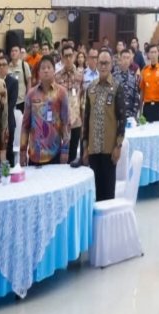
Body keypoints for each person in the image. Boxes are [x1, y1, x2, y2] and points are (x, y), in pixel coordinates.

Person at [81, 50, 125, 201]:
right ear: (97, 64)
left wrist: (118, 146)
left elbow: (122, 119)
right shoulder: (91, 88)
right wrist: (85, 147)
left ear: (111, 65)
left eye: (106, 63)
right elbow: (86, 118)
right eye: (101, 63)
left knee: (107, 194)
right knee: (95, 192)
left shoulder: (117, 87)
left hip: (109, 149)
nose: (104, 66)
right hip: (93, 148)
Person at [20, 58, 71, 167]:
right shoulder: (31, 94)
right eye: (43, 68)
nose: (46, 70)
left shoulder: (61, 93)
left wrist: (65, 150)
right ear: (38, 72)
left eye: (49, 67)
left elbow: (66, 123)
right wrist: (22, 151)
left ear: (54, 70)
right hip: (35, 154)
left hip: (54, 153)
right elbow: (25, 125)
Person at [53, 52, 84, 163]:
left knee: (73, 153)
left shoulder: (80, 76)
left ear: (74, 57)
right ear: (62, 57)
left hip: (76, 120)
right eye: (65, 56)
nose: (68, 58)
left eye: (70, 55)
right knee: (60, 154)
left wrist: (83, 120)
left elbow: (82, 99)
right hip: (61, 122)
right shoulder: (56, 77)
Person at [0, 54, 20, 166]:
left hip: (8, 122)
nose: (1, 67)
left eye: (4, 65)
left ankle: (9, 172)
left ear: (8, 66)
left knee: (8, 151)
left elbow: (11, 103)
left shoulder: (13, 82)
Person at [138, 46, 159, 123]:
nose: (153, 54)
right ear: (148, 55)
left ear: (158, 54)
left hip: (158, 106)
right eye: (151, 52)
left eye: (155, 52)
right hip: (147, 106)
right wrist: (140, 109)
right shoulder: (144, 70)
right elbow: (142, 91)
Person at [114, 48, 142, 120]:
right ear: (120, 60)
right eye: (124, 58)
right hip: (117, 116)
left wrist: (134, 115)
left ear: (130, 60)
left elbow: (136, 97)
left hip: (131, 115)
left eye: (128, 58)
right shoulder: (114, 77)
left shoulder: (133, 77)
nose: (126, 60)